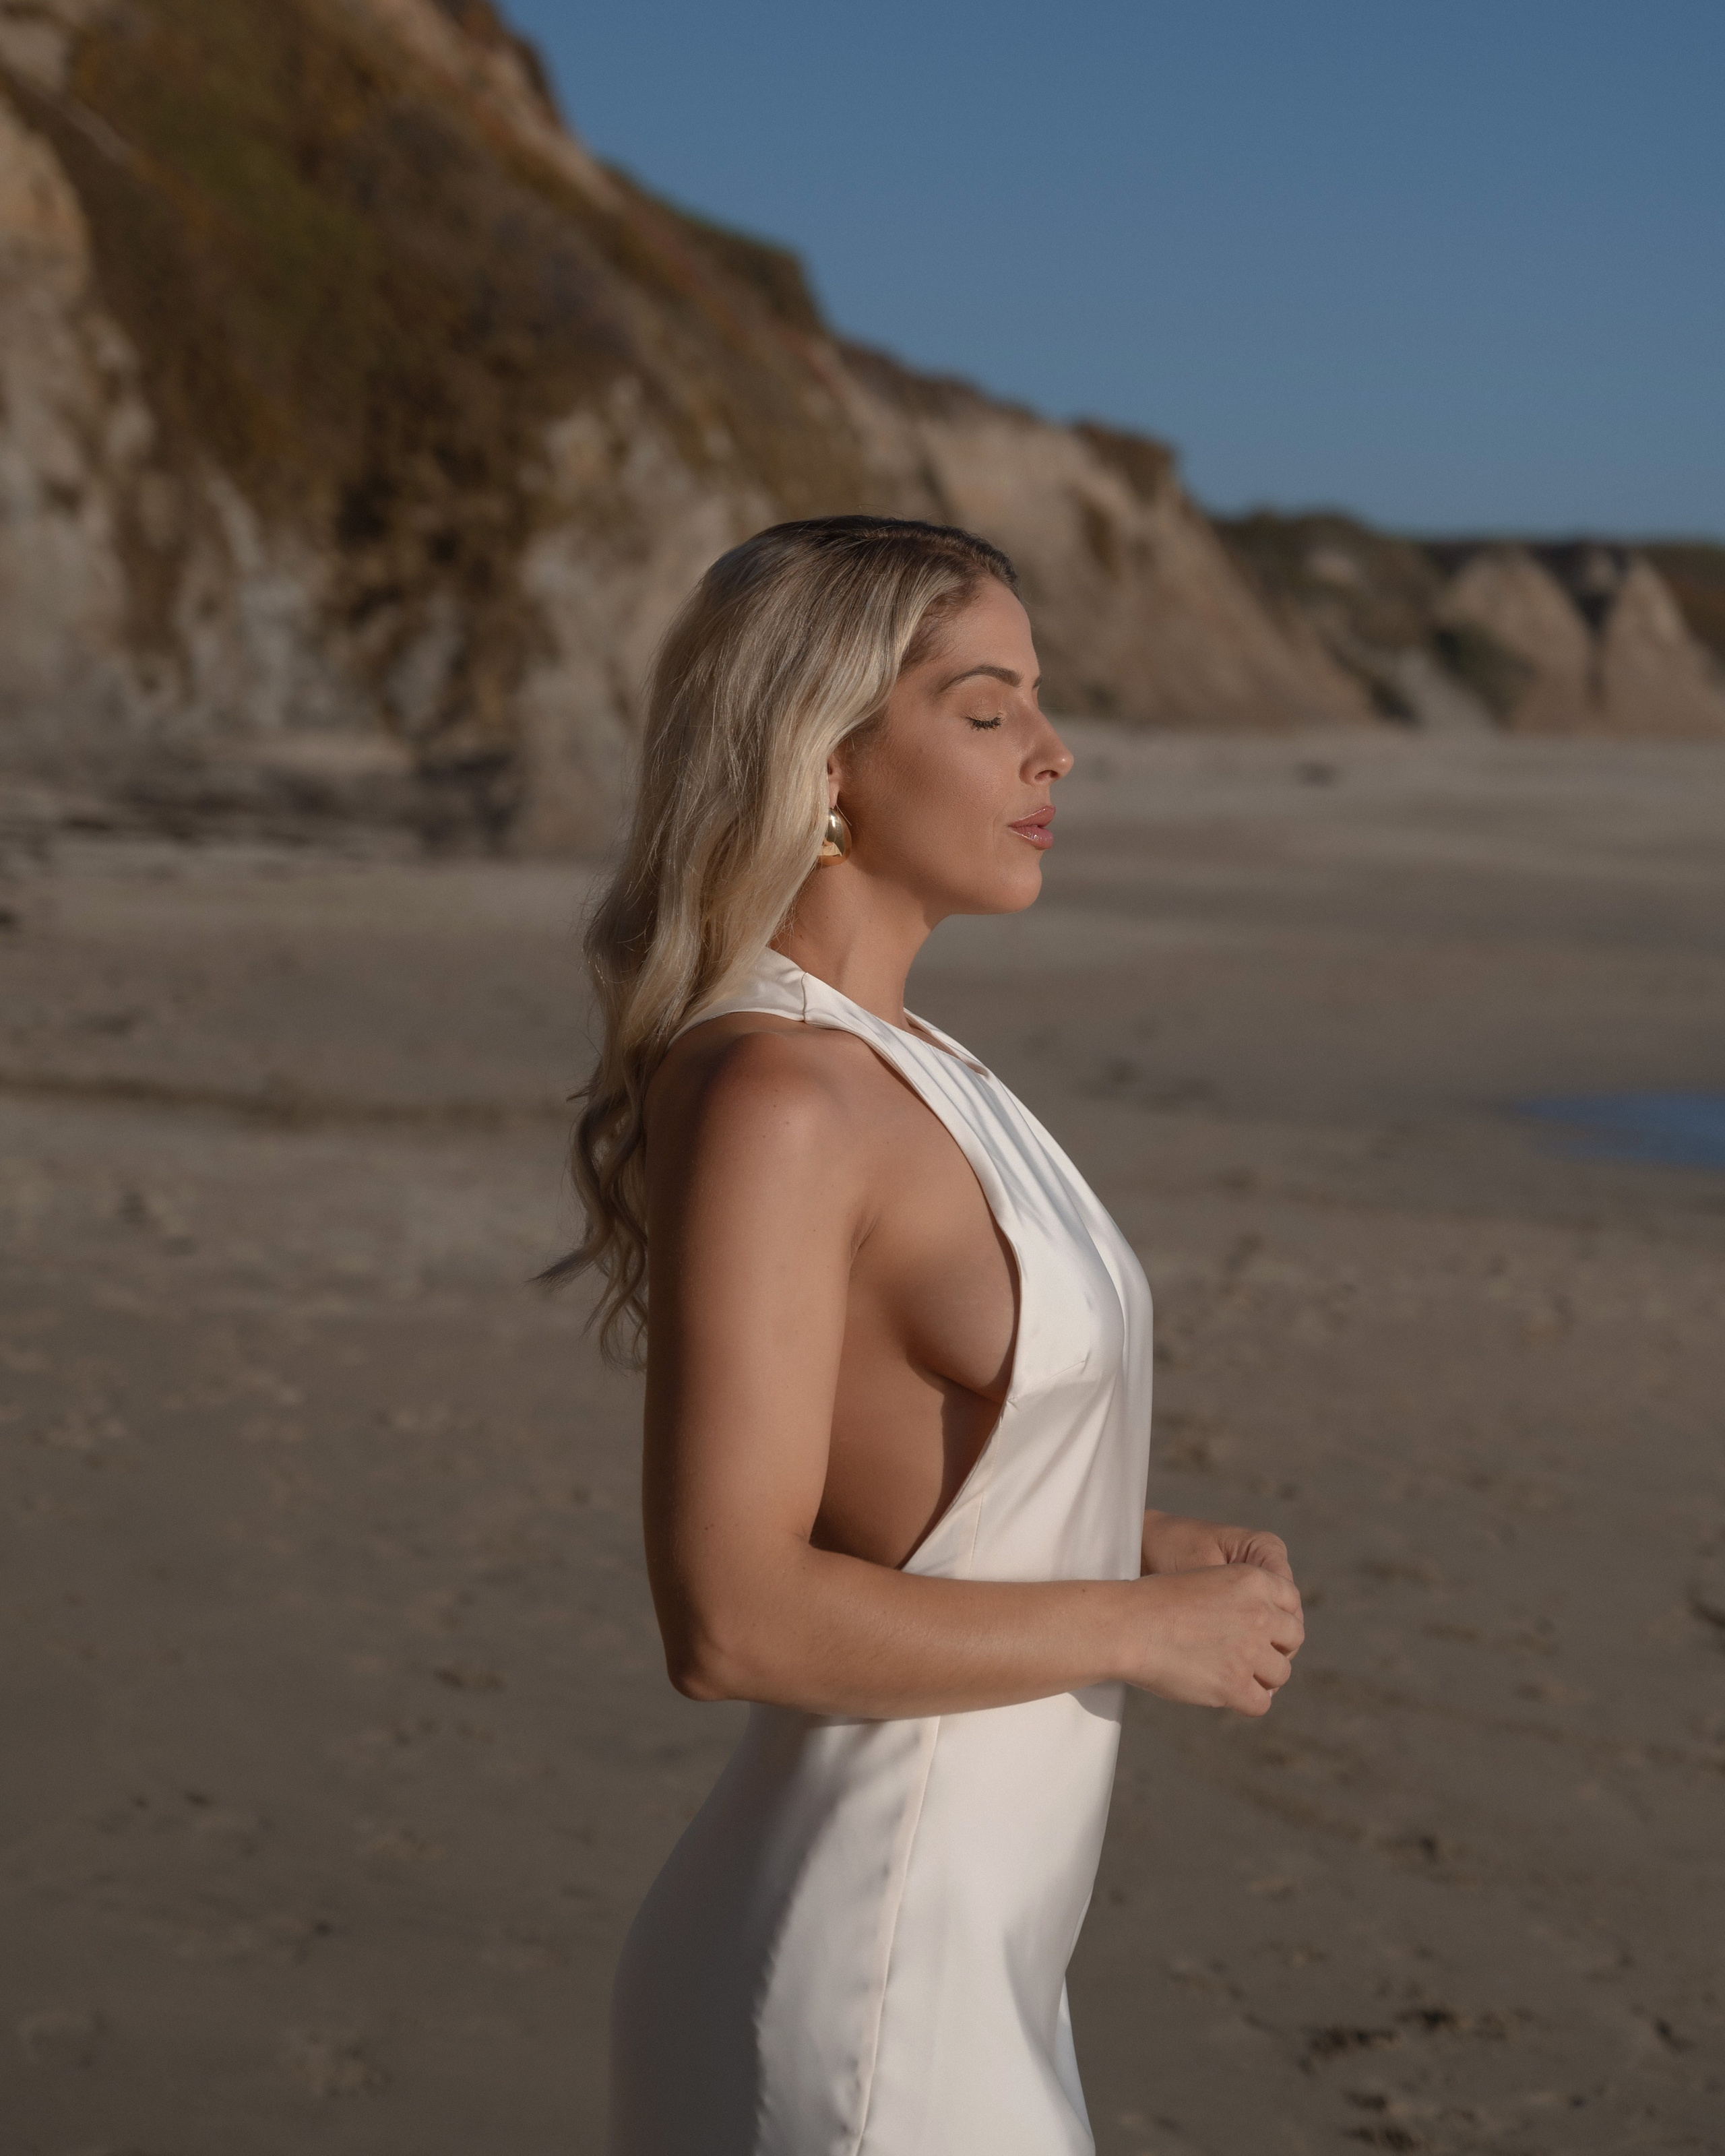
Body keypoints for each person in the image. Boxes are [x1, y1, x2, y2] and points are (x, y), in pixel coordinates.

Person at [555, 515, 1305, 2155]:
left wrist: (1141, 1536)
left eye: (1036, 700)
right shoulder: (778, 1094)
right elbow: (730, 1617)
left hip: (972, 1962)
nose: (1050, 750)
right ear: (821, 759)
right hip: (866, 1991)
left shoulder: (921, 1065)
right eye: (984, 710)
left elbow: (898, 1482)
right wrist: (1135, 1628)